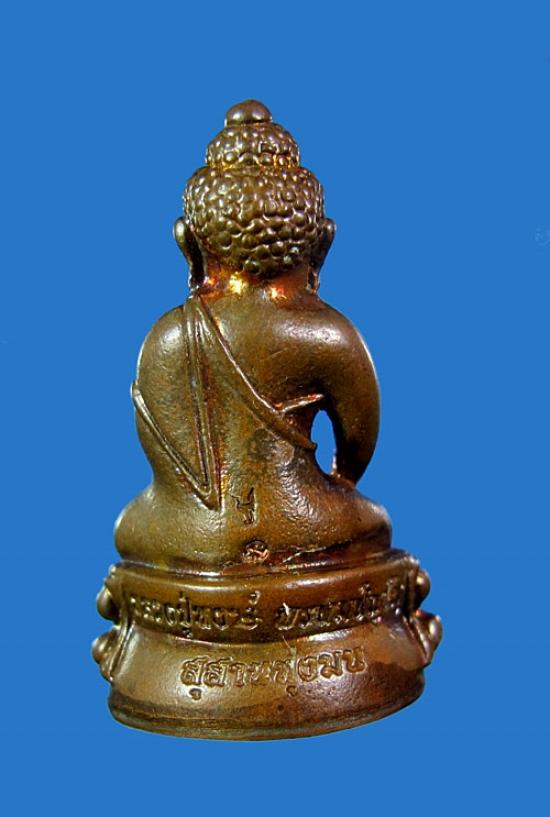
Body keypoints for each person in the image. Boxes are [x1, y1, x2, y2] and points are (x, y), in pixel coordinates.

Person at [115, 100, 391, 572]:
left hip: (187, 535)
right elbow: (356, 452)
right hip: (303, 521)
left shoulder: (166, 336)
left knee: (129, 526)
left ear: (188, 244)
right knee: (374, 523)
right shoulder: (327, 334)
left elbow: (162, 467)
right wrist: (334, 488)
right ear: (322, 244)